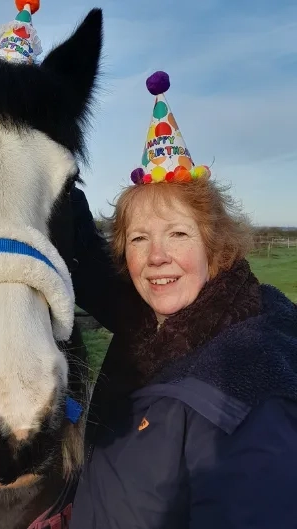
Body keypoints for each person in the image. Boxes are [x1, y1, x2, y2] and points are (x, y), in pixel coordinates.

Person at [67, 71, 297, 527]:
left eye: (177, 233)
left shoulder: (248, 386)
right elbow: (85, 257)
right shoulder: (153, 320)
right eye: (138, 238)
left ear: (214, 245)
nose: (156, 257)